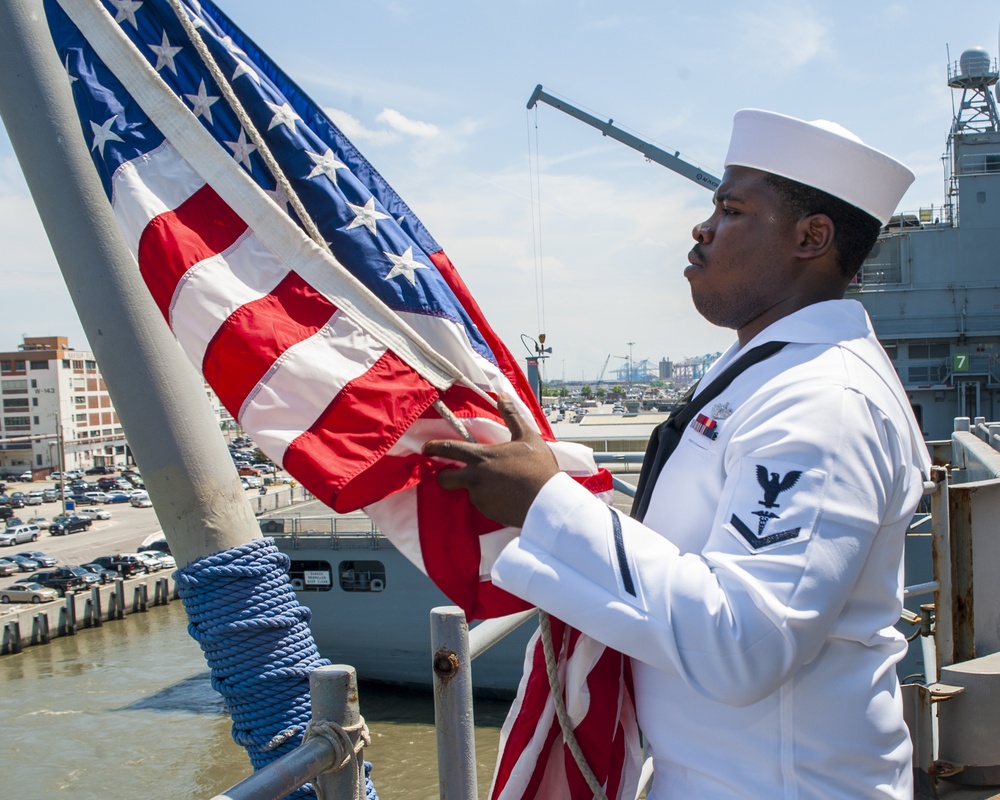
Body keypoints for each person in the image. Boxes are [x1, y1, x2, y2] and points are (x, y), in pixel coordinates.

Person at [423, 109, 931, 799]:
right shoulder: (758, 371)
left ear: (812, 237)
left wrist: (548, 504)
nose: (703, 227)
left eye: (731, 208)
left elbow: (747, 644)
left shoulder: (823, 403)